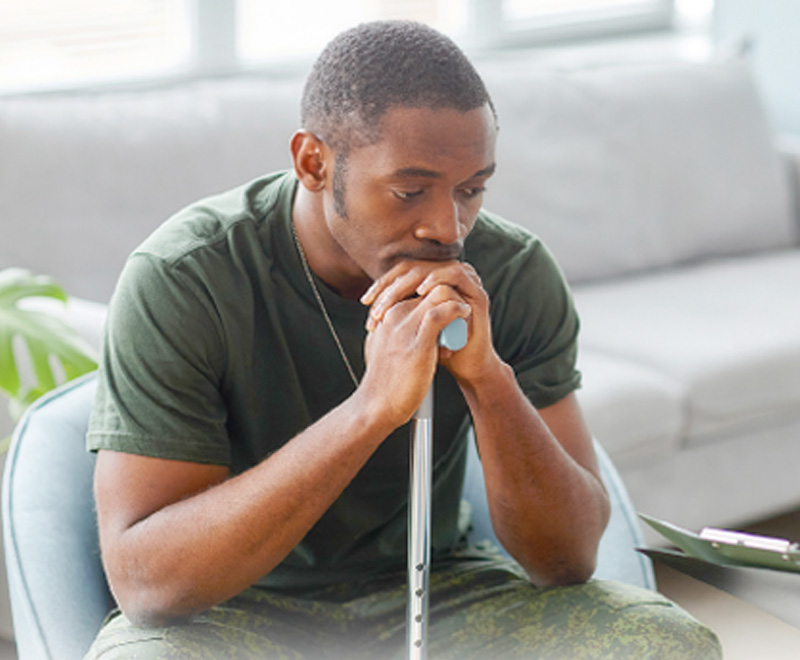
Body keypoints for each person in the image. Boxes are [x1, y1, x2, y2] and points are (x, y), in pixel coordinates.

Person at [84, 20, 721, 660]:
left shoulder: (513, 272)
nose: (448, 226)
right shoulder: (186, 277)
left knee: (664, 643)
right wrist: (370, 410)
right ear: (313, 162)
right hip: (234, 612)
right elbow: (149, 583)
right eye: (409, 191)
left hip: (443, 585)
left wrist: (486, 376)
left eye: (472, 189)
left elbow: (567, 559)